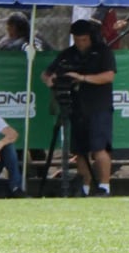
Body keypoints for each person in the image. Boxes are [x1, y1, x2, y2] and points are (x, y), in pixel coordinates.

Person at [43, 19, 116, 196]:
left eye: (84, 39)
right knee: (79, 150)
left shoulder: (103, 52)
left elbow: (108, 76)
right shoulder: (67, 54)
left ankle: (104, 186)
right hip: (75, 106)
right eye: (77, 39)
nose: (80, 43)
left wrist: (82, 78)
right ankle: (83, 187)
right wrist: (51, 81)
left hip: (98, 106)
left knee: (99, 148)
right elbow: (46, 74)